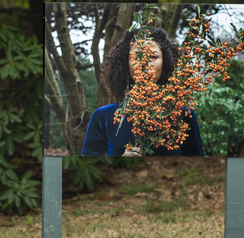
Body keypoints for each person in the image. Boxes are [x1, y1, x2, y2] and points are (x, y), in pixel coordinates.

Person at [80, 27, 204, 157]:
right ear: (124, 63)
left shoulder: (183, 115)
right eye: (137, 56)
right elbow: (87, 168)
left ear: (165, 62)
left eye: (153, 56)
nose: (145, 63)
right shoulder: (104, 116)